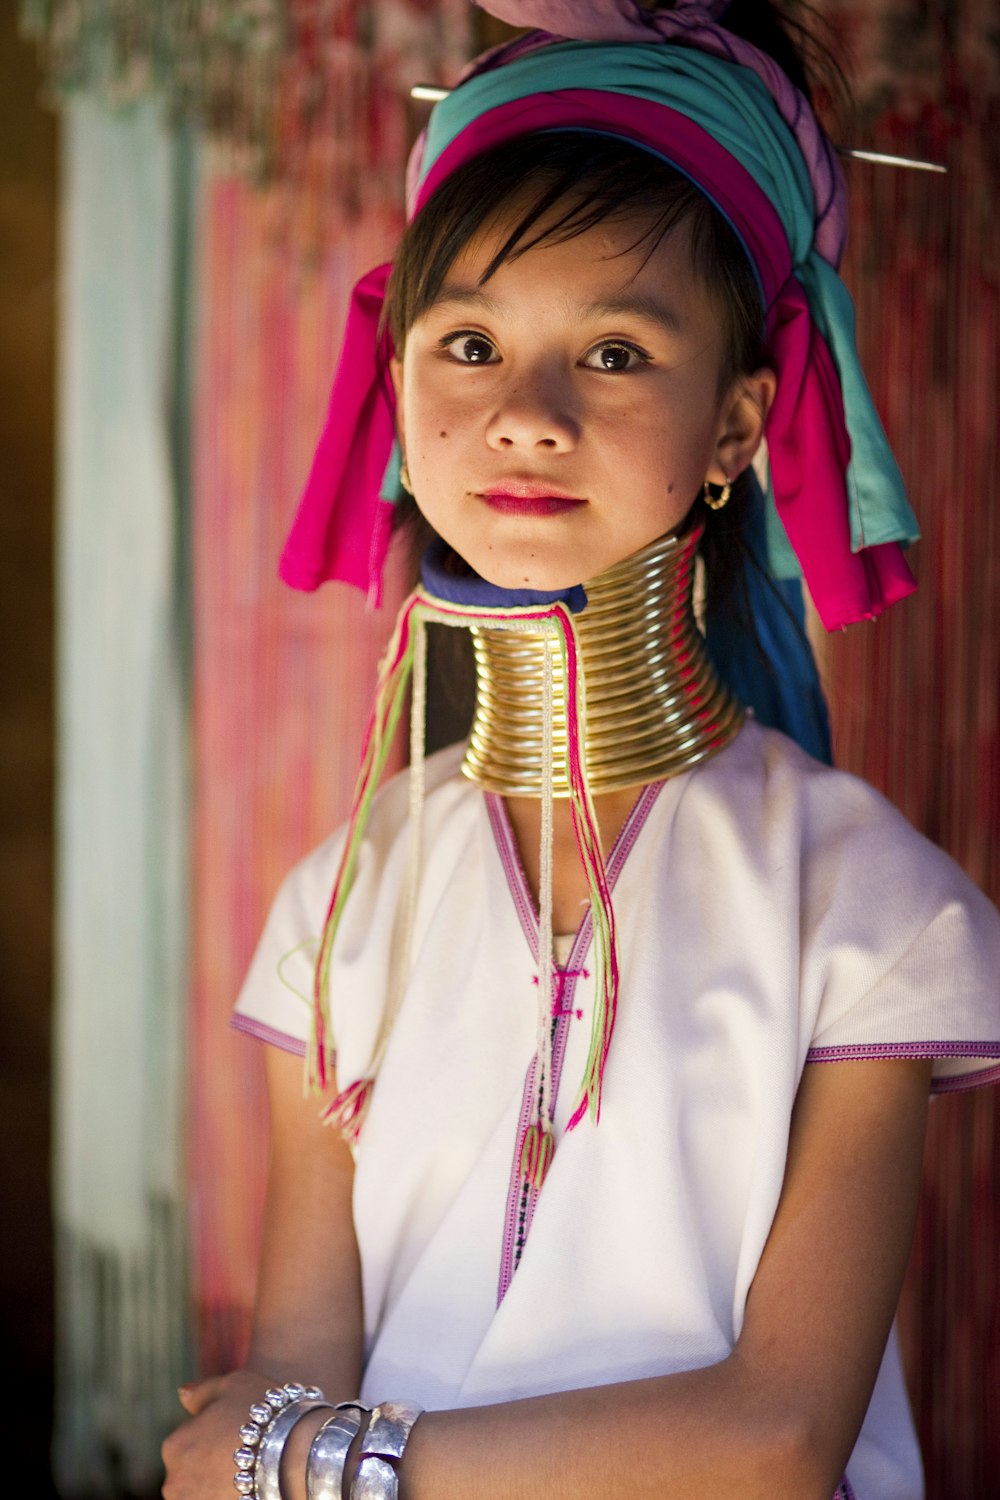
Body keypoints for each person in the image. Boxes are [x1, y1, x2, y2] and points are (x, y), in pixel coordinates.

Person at [162, 3, 1000, 1497]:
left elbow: (777, 1442)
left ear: (738, 425)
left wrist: (322, 1465)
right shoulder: (338, 909)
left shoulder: (868, 905)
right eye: (470, 344)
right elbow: (304, 1355)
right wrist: (290, 1442)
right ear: (399, 395)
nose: (527, 417)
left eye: (614, 352)